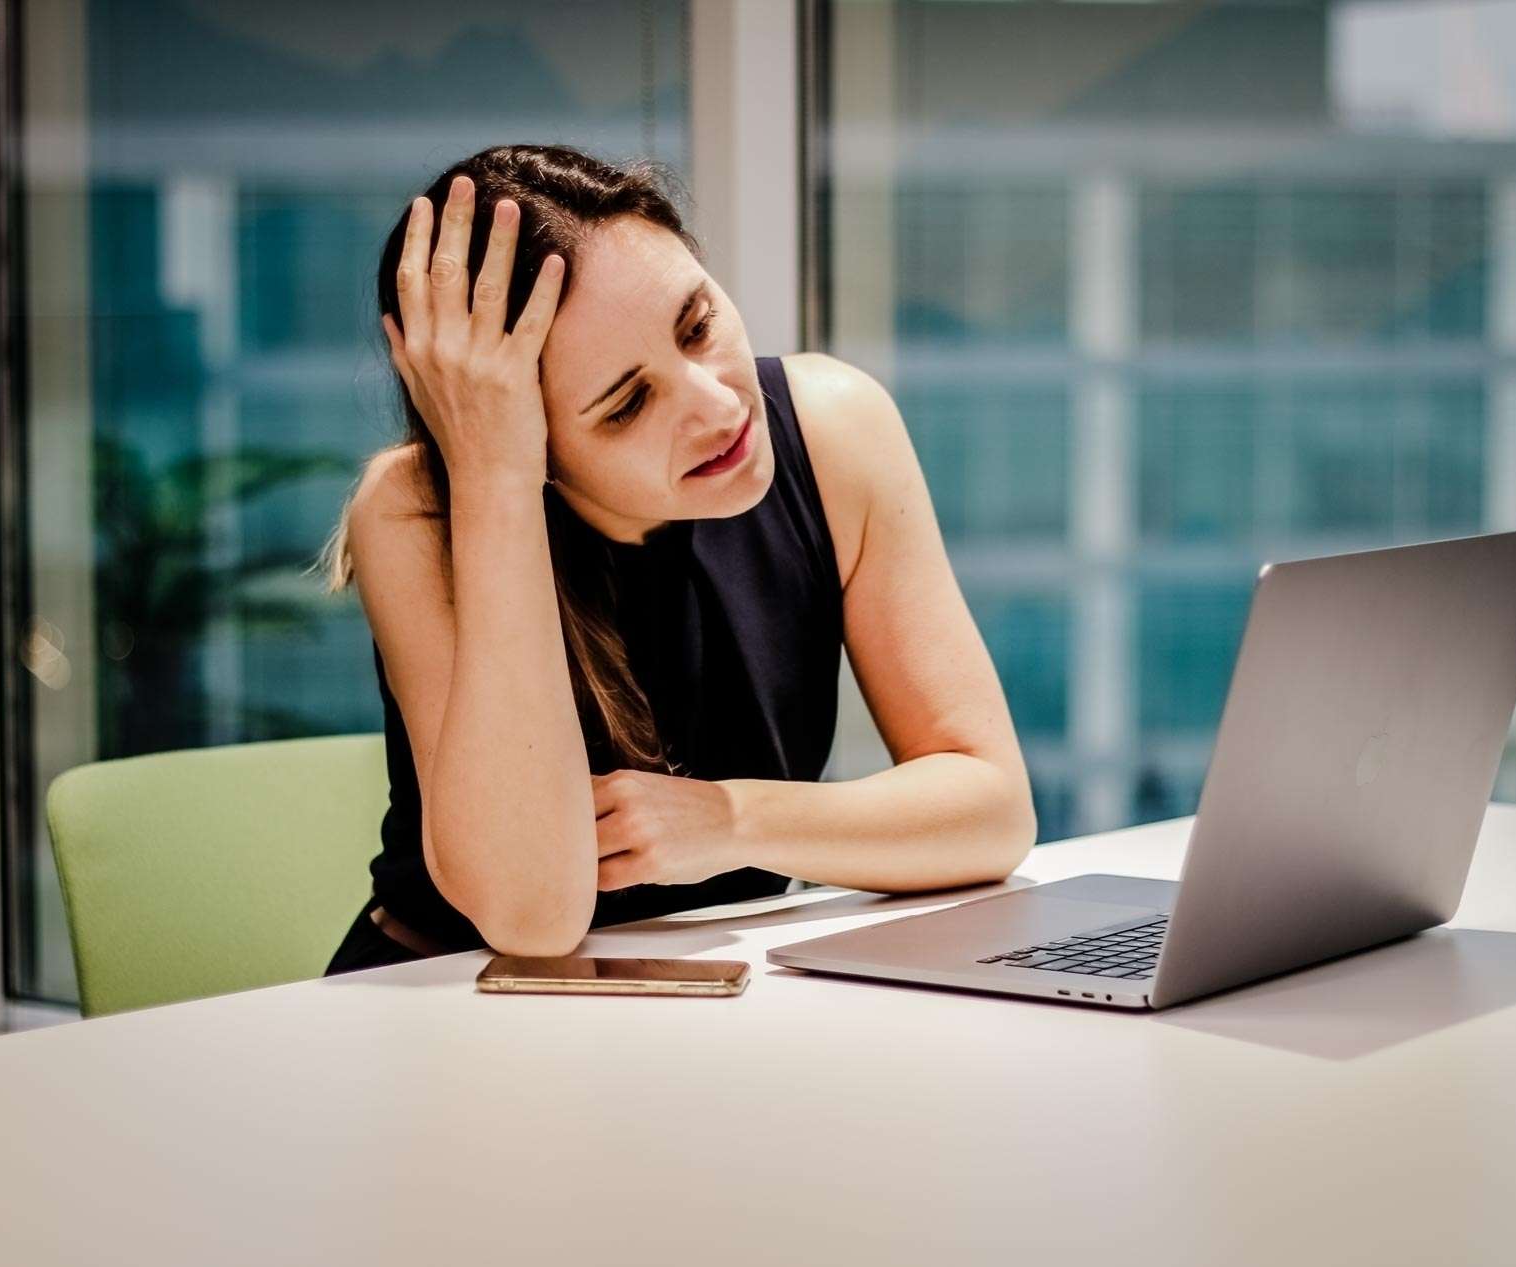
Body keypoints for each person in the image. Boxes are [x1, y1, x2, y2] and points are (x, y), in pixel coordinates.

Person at [320, 144, 1036, 974]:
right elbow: (533, 912)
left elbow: (991, 810)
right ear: (534, 443)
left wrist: (729, 819)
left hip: (722, 993)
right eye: (626, 405)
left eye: (697, 325)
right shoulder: (418, 511)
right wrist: (494, 475)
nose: (719, 403)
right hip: (452, 998)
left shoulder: (838, 428)